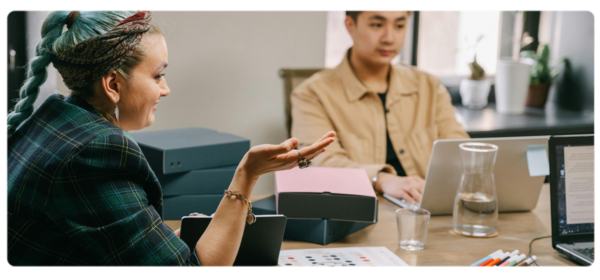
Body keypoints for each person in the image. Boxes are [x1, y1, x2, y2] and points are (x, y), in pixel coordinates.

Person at [5, 8, 335, 269]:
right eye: (158, 75)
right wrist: (248, 173)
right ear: (113, 85)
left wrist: (160, 240)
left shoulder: (53, 120)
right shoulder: (95, 153)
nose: (166, 88)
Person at [291, 8, 469, 205]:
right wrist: (381, 179)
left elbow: (459, 150)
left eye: (399, 26)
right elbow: (322, 162)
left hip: (428, 208)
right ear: (351, 26)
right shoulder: (312, 94)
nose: (389, 38)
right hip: (358, 210)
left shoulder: (429, 86)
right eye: (377, 25)